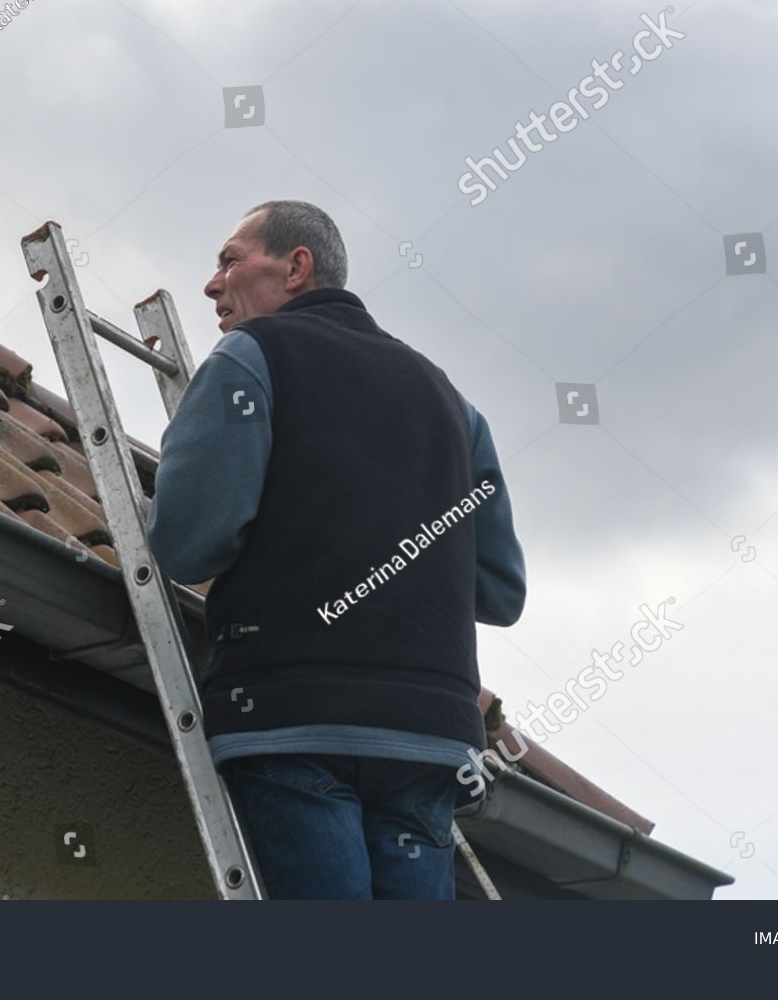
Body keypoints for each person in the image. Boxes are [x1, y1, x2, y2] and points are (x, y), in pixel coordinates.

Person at [146, 200, 525, 899]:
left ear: (296, 267)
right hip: (429, 737)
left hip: (294, 720)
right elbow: (500, 592)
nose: (211, 283)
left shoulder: (253, 356)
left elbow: (188, 543)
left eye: (230, 259)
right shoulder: (452, 403)